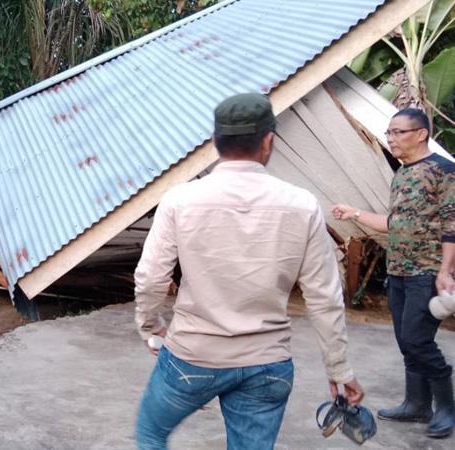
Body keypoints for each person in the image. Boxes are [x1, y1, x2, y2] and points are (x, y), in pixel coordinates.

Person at [133, 93, 364, 450]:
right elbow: (324, 297)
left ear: (214, 142)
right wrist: (339, 370)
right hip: (267, 364)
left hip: (193, 356)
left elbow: (150, 278)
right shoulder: (301, 205)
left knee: (151, 433)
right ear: (268, 141)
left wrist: (152, 326)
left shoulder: (180, 200)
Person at [332, 107, 454, 438]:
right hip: (398, 269)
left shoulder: (443, 171)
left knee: (417, 339)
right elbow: (394, 223)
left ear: (421, 134)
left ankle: (446, 406)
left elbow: (451, 223)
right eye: (389, 133)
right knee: (406, 340)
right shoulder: (402, 173)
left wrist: (446, 270)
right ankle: (416, 404)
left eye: (398, 132)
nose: (391, 139)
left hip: (427, 271)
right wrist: (354, 212)